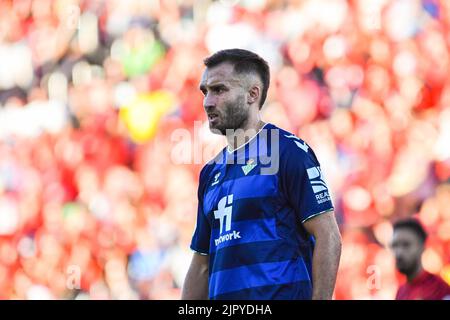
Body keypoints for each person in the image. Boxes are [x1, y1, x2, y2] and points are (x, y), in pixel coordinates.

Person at [181, 48, 342, 300]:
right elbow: (202, 263)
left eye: (219, 90)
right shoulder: (210, 173)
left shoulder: (288, 152)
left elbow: (328, 235)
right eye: (205, 91)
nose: (208, 102)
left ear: (252, 94)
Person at [391, 218, 450, 300]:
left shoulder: (439, 290)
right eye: (395, 246)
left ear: (422, 246)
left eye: (406, 245)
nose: (399, 253)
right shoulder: (401, 292)